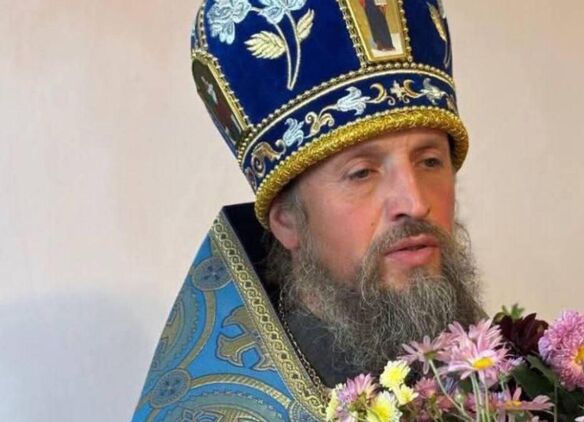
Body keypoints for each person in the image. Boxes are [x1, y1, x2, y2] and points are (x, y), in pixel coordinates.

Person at [132, 0, 483, 420]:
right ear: (287, 221)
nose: (415, 202)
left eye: (430, 161)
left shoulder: (505, 374)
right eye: (362, 173)